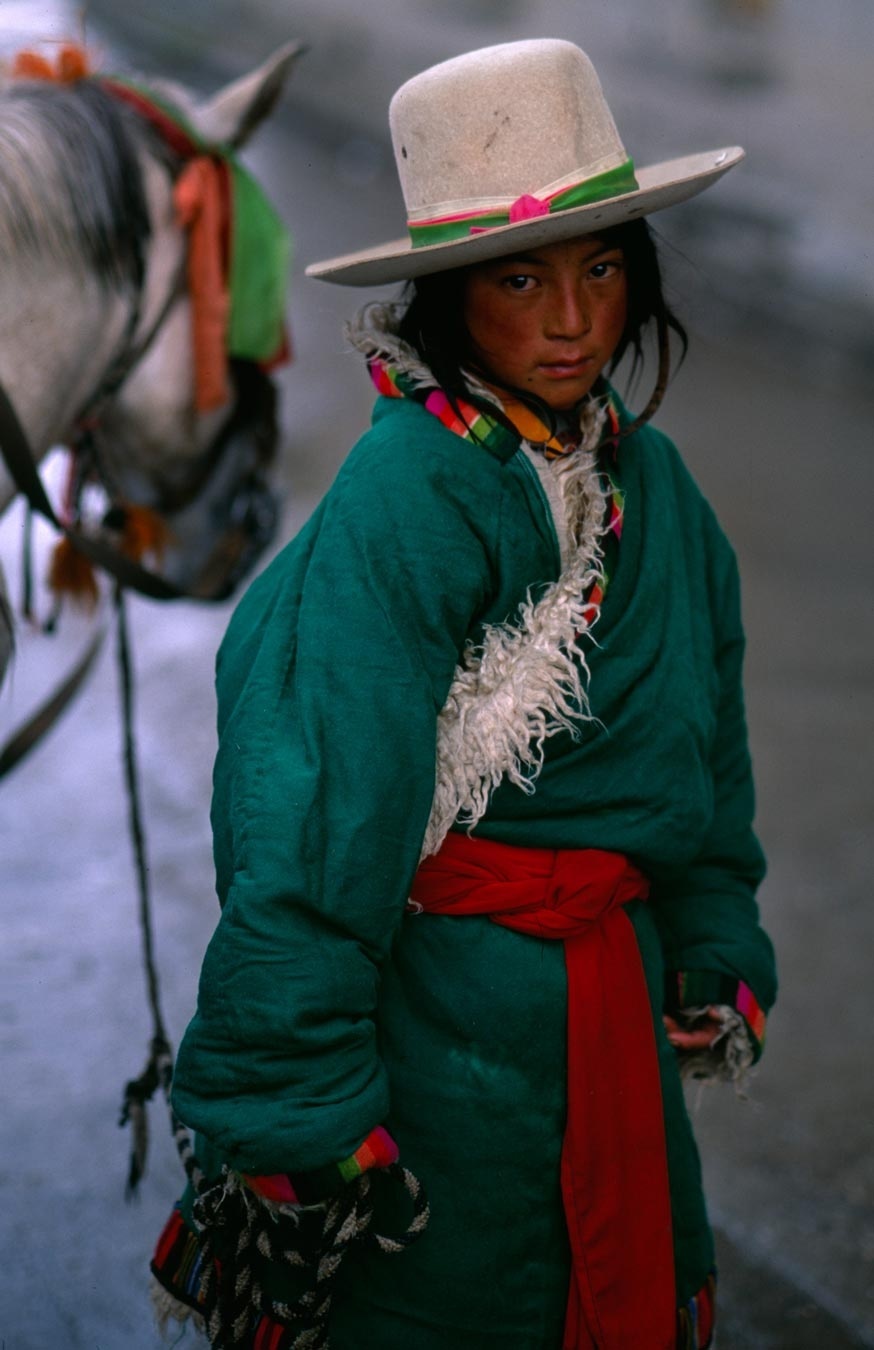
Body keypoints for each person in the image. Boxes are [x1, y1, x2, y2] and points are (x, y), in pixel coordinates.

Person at [150, 38, 777, 1350]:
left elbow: (705, 757)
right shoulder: (406, 500)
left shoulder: (657, 492)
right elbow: (317, 809)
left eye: (601, 268)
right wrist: (293, 1091)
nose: (571, 319)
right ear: (446, 297)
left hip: (607, 1014)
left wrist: (713, 940)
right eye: (518, 278)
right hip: (438, 1032)